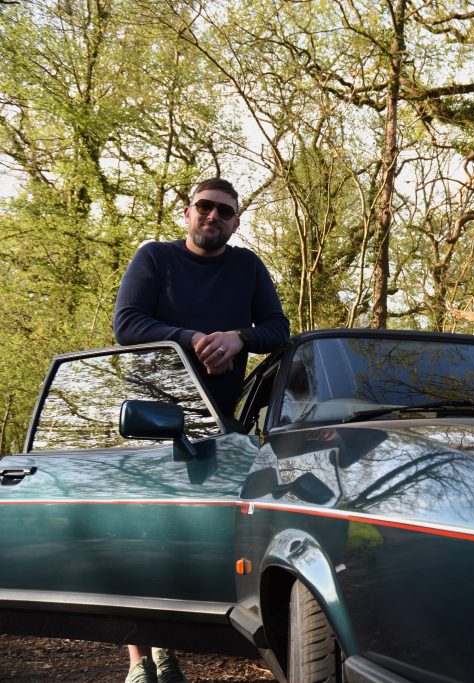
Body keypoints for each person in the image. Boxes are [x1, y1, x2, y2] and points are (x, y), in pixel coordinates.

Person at [113, 178, 290, 683]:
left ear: (235, 223)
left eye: (225, 212)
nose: (214, 217)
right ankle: (141, 661)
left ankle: (177, 640)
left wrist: (238, 338)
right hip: (152, 415)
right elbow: (127, 324)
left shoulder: (248, 267)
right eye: (205, 208)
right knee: (139, 536)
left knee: (190, 537)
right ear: (187, 212)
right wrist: (192, 339)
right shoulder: (154, 258)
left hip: (220, 421)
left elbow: (278, 328)